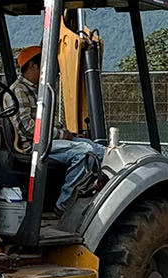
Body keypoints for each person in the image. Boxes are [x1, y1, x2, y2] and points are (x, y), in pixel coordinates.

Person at [7, 47, 104, 214]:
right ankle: (64, 204)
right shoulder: (18, 91)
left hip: (48, 140)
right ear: (32, 66)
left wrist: (69, 134)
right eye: (44, 67)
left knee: (98, 149)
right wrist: (61, 135)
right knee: (84, 152)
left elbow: (48, 120)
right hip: (34, 145)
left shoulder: (37, 90)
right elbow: (27, 127)